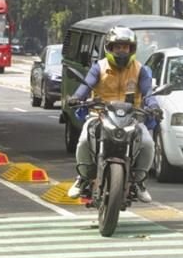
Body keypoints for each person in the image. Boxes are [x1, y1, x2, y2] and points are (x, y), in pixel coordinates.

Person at [67, 26, 157, 203]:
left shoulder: (141, 70)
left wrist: (154, 106)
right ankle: (83, 177)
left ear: (132, 49)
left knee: (147, 143)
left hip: (131, 118)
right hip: (100, 114)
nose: (122, 51)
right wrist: (76, 98)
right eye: (118, 47)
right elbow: (86, 86)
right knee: (85, 139)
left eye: (125, 47)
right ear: (110, 48)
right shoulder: (98, 67)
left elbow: (148, 93)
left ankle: (139, 181)